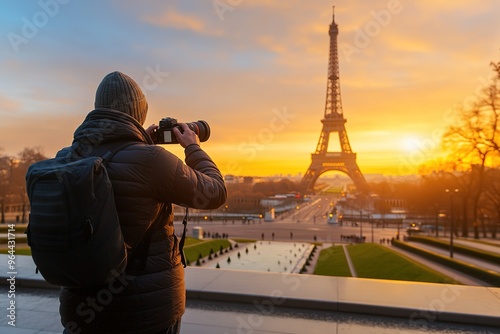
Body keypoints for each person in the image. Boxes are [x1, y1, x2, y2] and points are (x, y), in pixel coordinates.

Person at [58, 71, 227, 333]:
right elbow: (215, 192)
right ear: (138, 113)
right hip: (146, 311)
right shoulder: (152, 161)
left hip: (81, 309)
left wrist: (139, 140)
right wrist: (193, 147)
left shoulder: (67, 157)